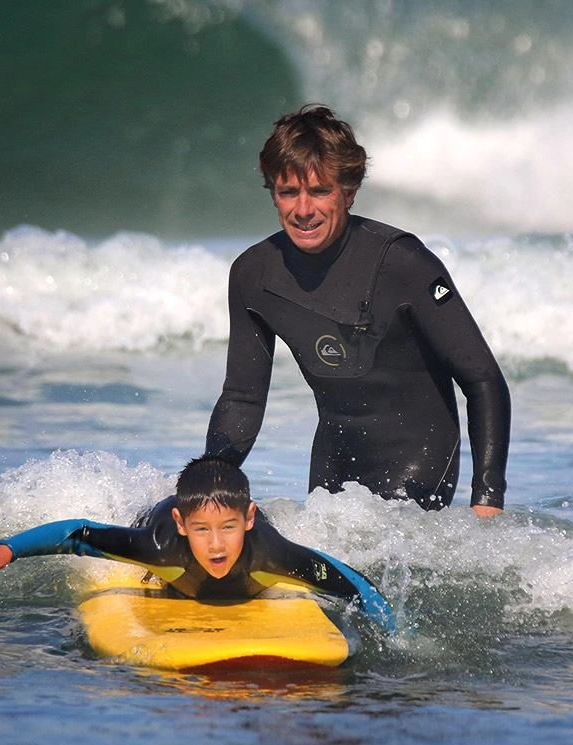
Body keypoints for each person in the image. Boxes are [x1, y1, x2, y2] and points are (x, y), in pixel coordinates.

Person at [205, 105, 510, 516]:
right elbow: (242, 397)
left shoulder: (404, 263)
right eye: (288, 192)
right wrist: (211, 485)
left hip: (419, 463)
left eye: (320, 191)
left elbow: (483, 380)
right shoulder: (253, 275)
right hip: (332, 465)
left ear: (349, 191)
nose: (303, 209)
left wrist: (487, 499)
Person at [0, 455, 393, 630]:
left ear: (249, 519)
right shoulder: (162, 548)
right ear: (186, 527)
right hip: (159, 515)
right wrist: (8, 548)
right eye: (203, 530)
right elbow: (77, 534)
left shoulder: (272, 554)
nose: (217, 545)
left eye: (229, 529)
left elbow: (356, 584)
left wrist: (396, 633)